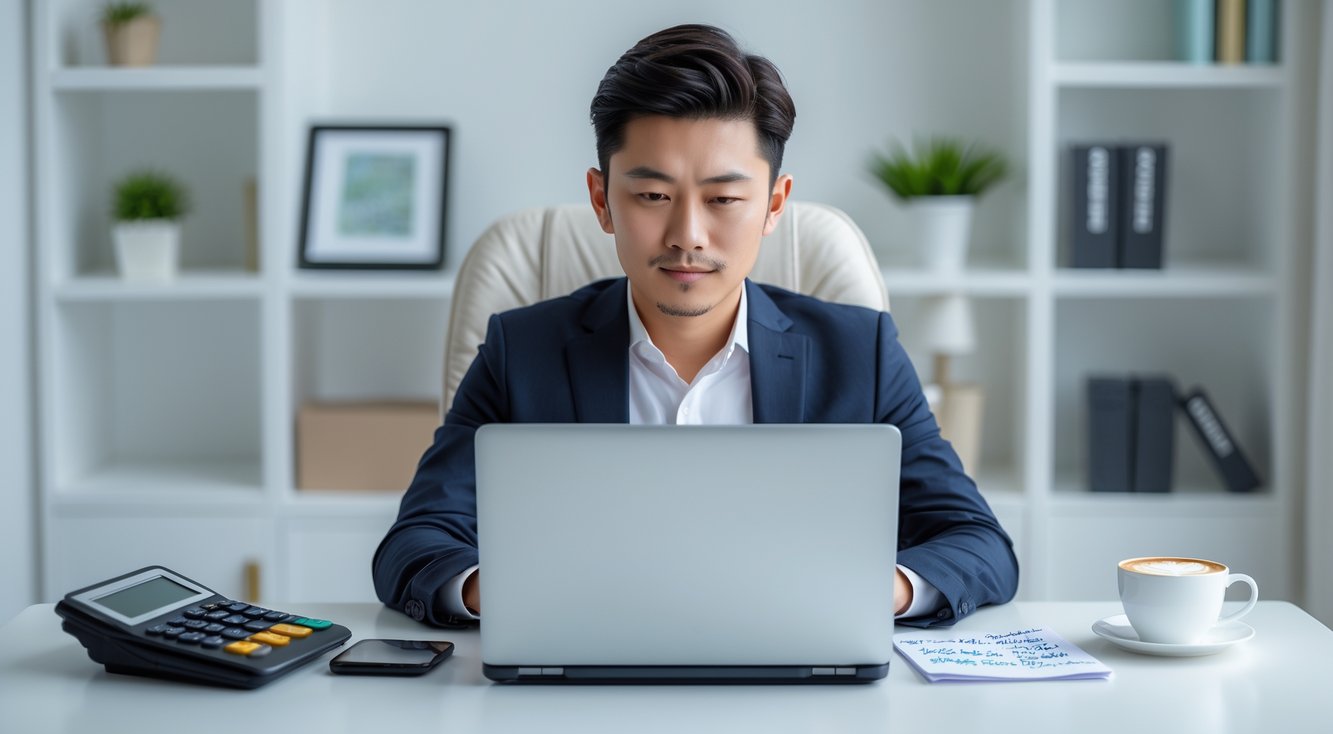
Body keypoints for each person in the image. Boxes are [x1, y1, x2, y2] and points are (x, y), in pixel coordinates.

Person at [372, 23, 1018, 628]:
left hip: (802, 684)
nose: (687, 235)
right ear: (602, 200)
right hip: (578, 675)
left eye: (724, 199)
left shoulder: (859, 352)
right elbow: (415, 543)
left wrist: (874, 590)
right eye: (652, 196)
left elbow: (977, 543)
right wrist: (515, 592)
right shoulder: (523, 350)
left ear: (773, 205)